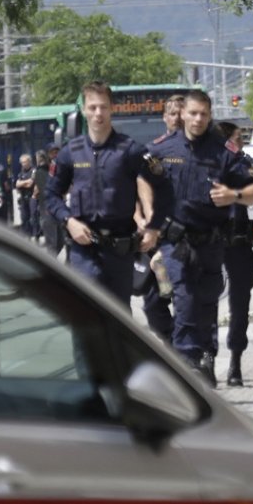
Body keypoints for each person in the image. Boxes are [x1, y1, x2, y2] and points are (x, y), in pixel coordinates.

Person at [146, 91, 253, 386]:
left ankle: (205, 357)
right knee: (184, 297)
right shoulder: (162, 148)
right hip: (175, 241)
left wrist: (234, 195)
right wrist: (147, 220)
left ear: (210, 116)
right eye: (193, 113)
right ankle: (186, 362)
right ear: (182, 113)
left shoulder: (223, 152)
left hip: (210, 241)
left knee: (207, 303)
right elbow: (138, 178)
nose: (198, 119)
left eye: (204, 114)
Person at [45, 81, 166, 303]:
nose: (98, 113)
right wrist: (69, 221)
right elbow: (51, 196)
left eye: (103, 107)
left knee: (118, 318)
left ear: (112, 108)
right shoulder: (70, 152)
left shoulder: (130, 150)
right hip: (83, 250)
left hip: (120, 252)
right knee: (85, 316)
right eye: (92, 107)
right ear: (84, 110)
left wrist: (153, 227)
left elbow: (164, 188)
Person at [214, 121, 253, 387]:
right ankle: (207, 358)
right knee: (206, 300)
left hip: (238, 239)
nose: (239, 143)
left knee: (239, 303)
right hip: (211, 239)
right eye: (235, 138)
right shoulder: (204, 160)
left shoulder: (241, 162)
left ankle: (235, 361)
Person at [138, 95, 185, 346]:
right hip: (159, 237)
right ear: (164, 118)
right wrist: (141, 217)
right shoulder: (153, 151)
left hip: (187, 239)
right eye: (172, 113)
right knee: (153, 304)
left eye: (180, 112)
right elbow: (138, 184)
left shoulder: (198, 150)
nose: (176, 118)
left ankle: (188, 353)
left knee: (186, 302)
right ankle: (171, 342)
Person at [40, 143, 66, 256]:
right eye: (52, 152)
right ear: (47, 155)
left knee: (61, 241)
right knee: (52, 242)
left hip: (59, 207)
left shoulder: (62, 168)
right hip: (47, 209)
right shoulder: (42, 171)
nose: (55, 154)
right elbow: (44, 190)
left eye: (57, 152)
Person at [15, 154, 37, 239]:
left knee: (34, 217)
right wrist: (24, 183)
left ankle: (35, 235)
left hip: (32, 197)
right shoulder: (21, 172)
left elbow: (30, 183)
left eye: (25, 162)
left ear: (29, 161)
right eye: (22, 162)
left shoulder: (34, 170)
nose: (23, 164)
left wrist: (22, 183)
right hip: (23, 197)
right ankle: (26, 235)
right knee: (24, 217)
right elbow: (17, 184)